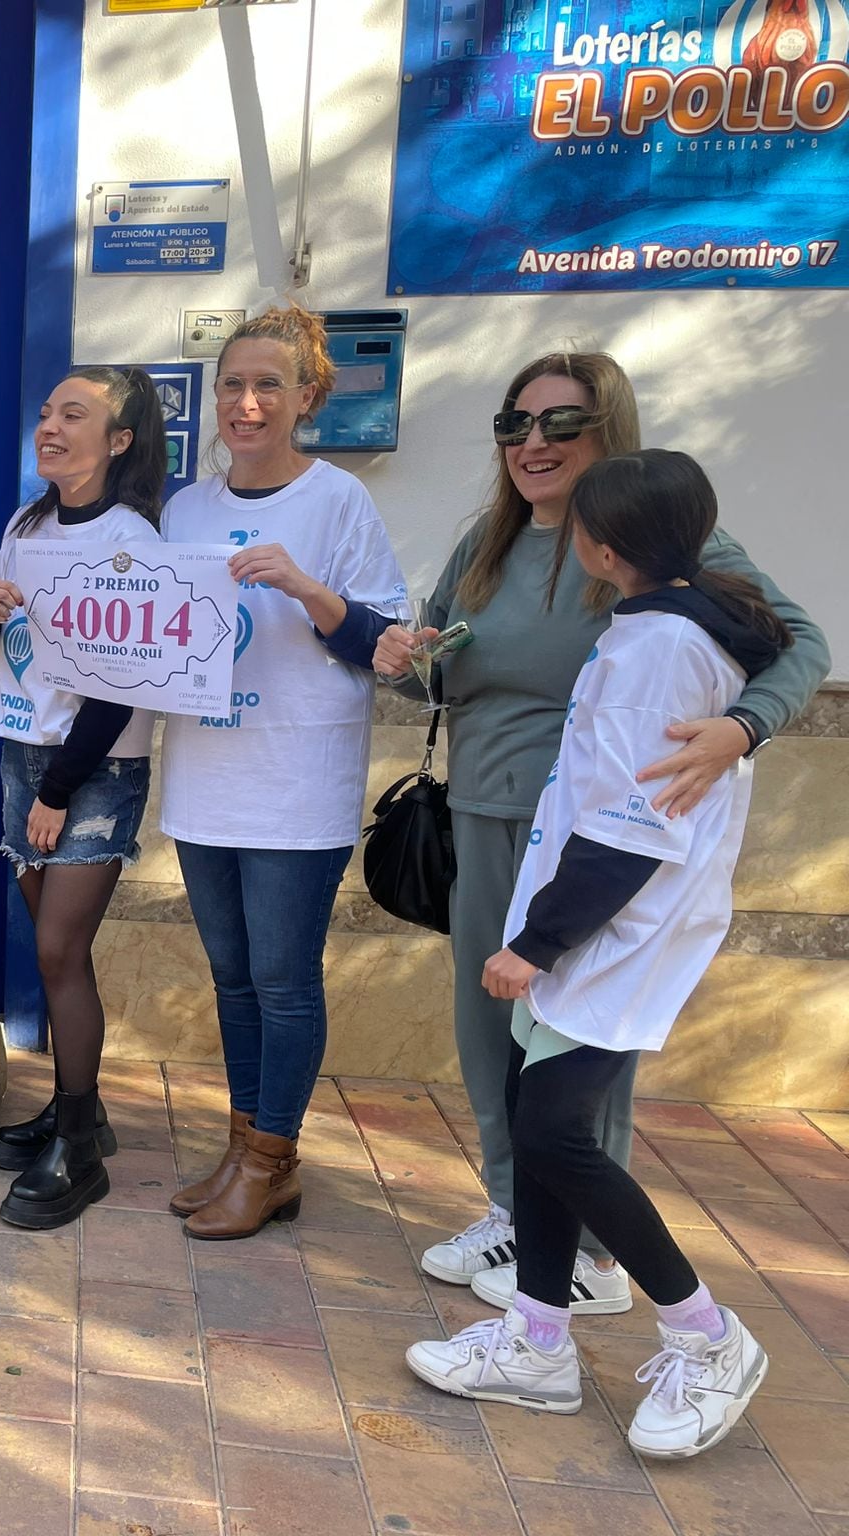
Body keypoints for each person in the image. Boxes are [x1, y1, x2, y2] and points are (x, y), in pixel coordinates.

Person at [374, 353, 827, 1310]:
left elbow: (802, 644)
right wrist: (403, 659)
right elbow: (440, 668)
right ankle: (512, 1212)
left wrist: (743, 728)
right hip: (485, 820)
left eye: (559, 423)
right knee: (491, 1031)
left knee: (574, 1040)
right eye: (514, 424)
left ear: (607, 430)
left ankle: (583, 1254)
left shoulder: (662, 541)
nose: (532, 444)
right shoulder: (484, 546)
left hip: (596, 843)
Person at [406, 450, 784, 1459]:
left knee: (560, 1133)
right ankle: (535, 1340)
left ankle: (706, 1336)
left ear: (598, 547)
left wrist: (531, 946)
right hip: (606, 922)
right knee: (540, 1123)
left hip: (617, 930)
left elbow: (629, 829)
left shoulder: (657, 648)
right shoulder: (667, 624)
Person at [162, 307, 406, 1241]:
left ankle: (270, 1160)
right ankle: (248, 1151)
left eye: (270, 386)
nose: (248, 404)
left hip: (297, 779)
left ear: (307, 398)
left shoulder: (338, 501)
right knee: (231, 978)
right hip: (205, 776)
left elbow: (385, 643)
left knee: (284, 980)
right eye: (232, 384)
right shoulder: (186, 508)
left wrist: (306, 586)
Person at [0, 366, 168, 1231]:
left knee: (56, 949)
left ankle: (79, 1151)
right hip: (22, 750)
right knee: (57, 951)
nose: (50, 425)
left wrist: (56, 789)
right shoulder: (29, 520)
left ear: (119, 440)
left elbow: (122, 686)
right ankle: (74, 1107)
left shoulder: (133, 540)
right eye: (46, 411)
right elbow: (6, 650)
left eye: (73, 414)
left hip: (91, 771)